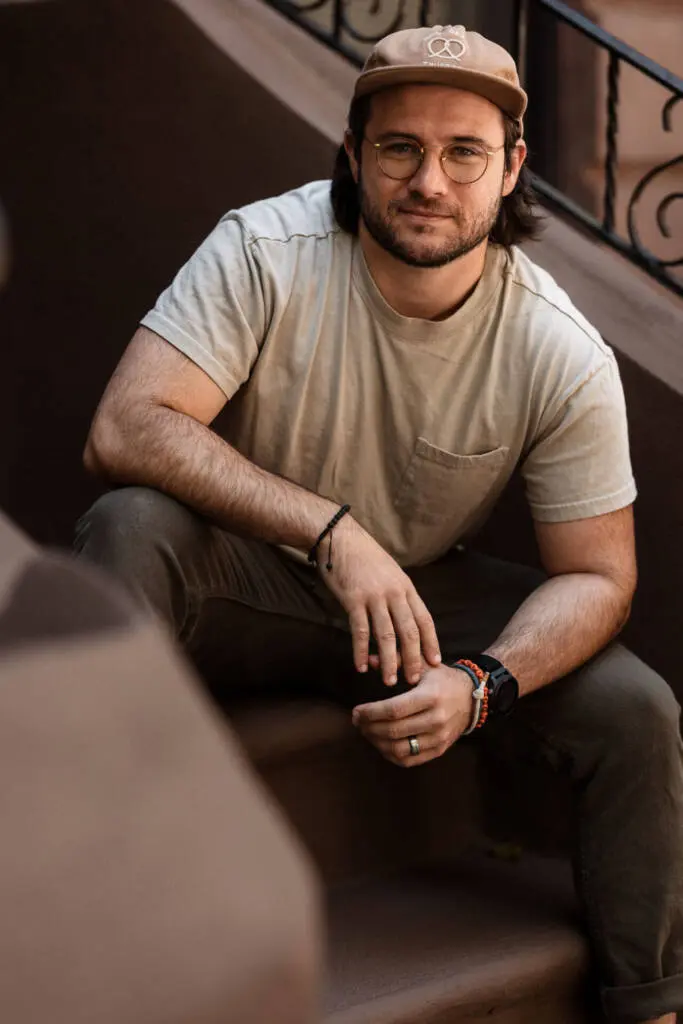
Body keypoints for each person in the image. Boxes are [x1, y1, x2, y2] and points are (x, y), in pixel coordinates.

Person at [75, 24, 682, 1024]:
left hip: (417, 611)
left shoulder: (556, 346)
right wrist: (333, 532)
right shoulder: (265, 249)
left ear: (510, 169)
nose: (428, 181)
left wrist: (480, 684)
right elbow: (127, 424)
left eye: (463, 153)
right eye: (399, 147)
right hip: (248, 576)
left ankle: (648, 1006)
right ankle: (94, 896)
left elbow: (598, 576)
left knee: (634, 709)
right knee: (130, 523)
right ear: (354, 155)